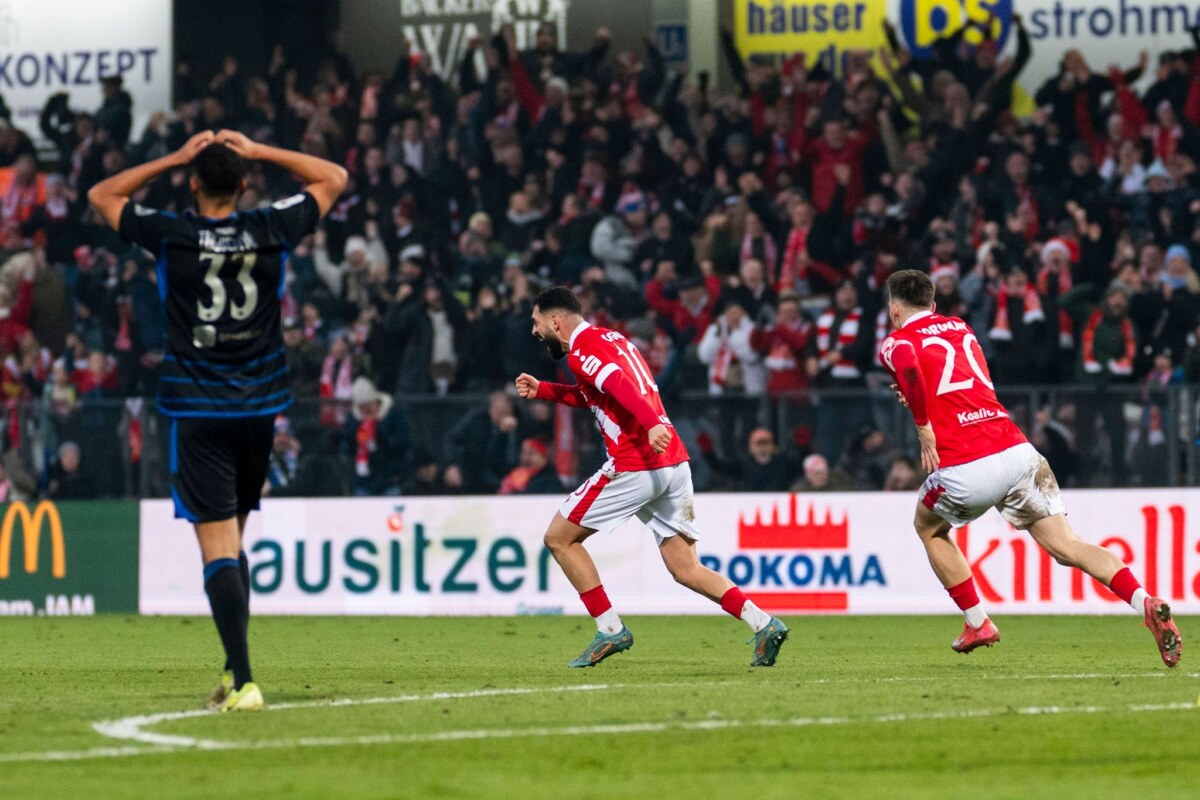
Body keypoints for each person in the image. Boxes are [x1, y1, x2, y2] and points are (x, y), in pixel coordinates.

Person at [88, 129, 347, 711]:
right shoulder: (269, 226)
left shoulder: (173, 234)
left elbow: (102, 194)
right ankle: (234, 672)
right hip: (259, 407)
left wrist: (175, 157)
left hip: (197, 406)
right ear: (245, 183)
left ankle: (247, 681)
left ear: (194, 183)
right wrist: (261, 149)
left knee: (218, 546)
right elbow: (333, 177)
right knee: (233, 538)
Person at [878, 270, 1180, 664]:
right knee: (1068, 545)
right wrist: (919, 397)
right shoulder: (961, 328)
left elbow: (910, 365)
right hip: (1019, 453)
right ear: (934, 306)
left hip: (966, 465)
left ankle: (977, 621)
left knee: (928, 527)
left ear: (894, 308)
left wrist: (923, 427)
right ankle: (1144, 601)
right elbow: (953, 382)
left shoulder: (895, 340)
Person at [515, 286, 788, 668]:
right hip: (673, 464)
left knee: (559, 539)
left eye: (536, 321)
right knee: (685, 568)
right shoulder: (612, 339)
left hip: (636, 462)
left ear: (555, 321)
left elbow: (616, 385)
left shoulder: (582, 352)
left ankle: (610, 629)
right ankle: (764, 623)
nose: (534, 330)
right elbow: (599, 393)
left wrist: (650, 423)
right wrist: (545, 390)